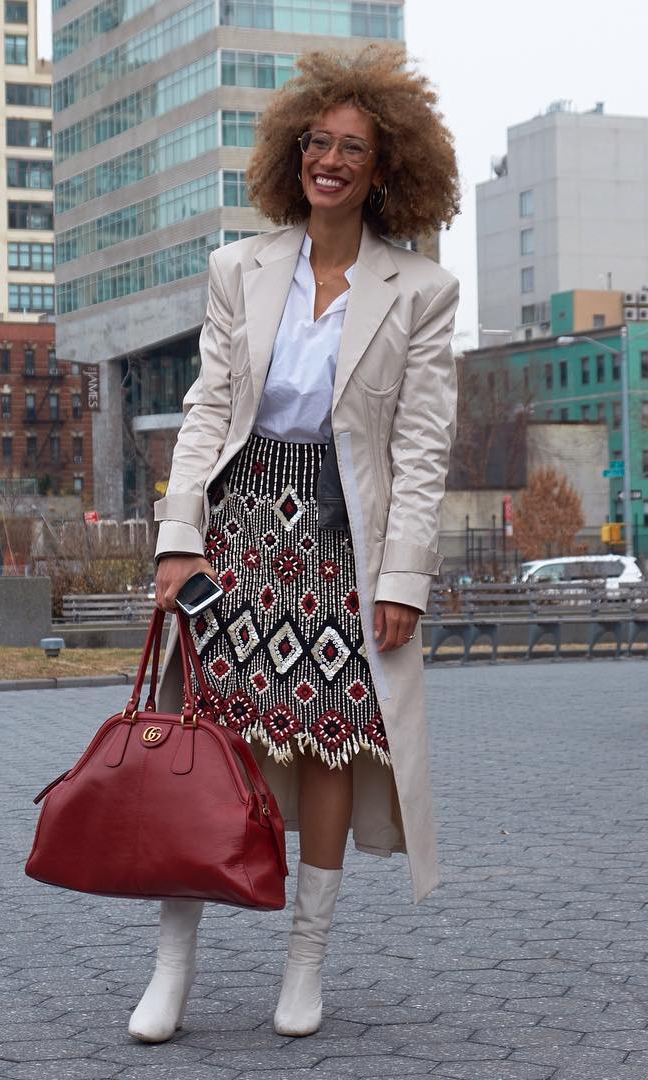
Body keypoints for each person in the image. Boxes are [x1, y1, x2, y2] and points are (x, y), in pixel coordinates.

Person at [134, 45, 460, 1043]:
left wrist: (404, 575)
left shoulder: (423, 290)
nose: (330, 159)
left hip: (337, 538)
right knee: (207, 739)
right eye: (317, 141)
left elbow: (421, 444)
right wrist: (176, 540)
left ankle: (305, 962)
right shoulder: (239, 267)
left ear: (384, 167)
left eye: (351, 147)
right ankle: (173, 966)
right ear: (294, 153)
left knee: (328, 746)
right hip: (235, 533)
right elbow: (207, 409)